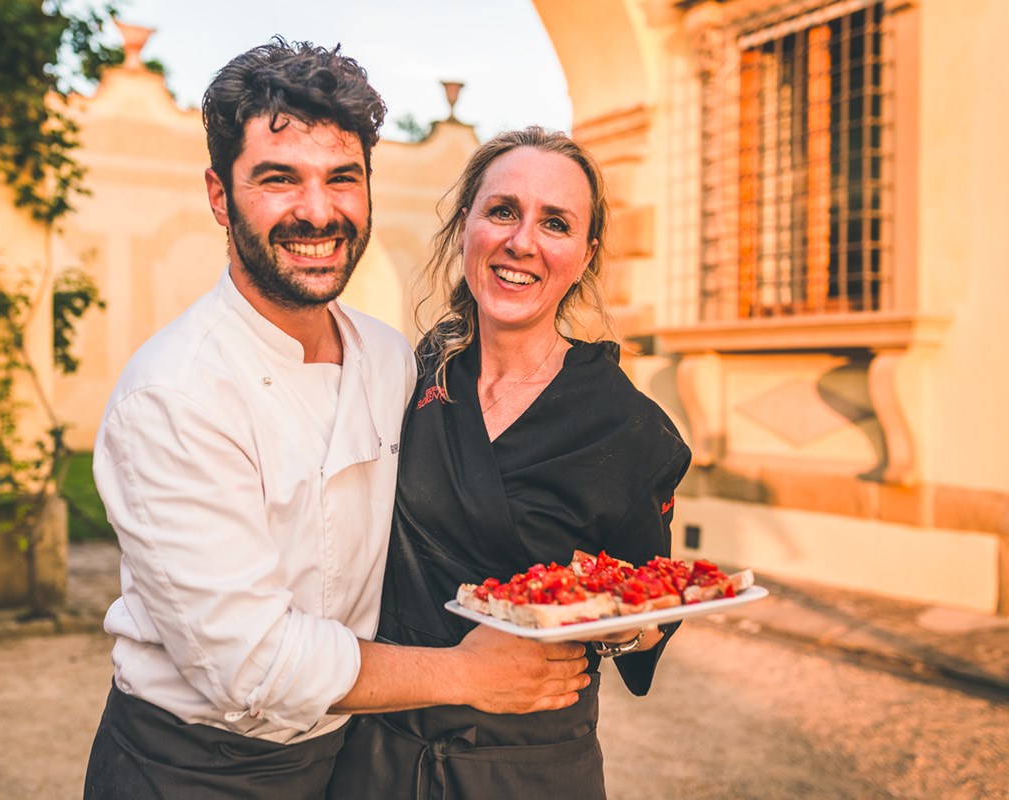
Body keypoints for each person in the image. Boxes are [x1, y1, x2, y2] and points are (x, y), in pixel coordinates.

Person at [81, 43, 589, 800]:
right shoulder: (174, 396)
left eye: (342, 179)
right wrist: (469, 675)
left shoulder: (392, 362)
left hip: (346, 761)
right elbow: (249, 664)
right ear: (220, 197)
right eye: (279, 179)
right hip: (188, 768)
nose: (318, 212)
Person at [327, 127, 693, 799]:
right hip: (379, 755)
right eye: (502, 211)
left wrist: (614, 622)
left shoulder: (629, 426)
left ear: (584, 257)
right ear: (465, 227)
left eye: (555, 223)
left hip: (531, 768)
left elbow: (652, 616)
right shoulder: (409, 377)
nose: (522, 240)